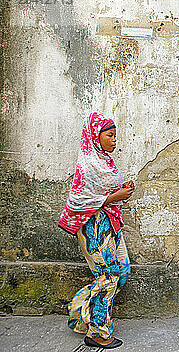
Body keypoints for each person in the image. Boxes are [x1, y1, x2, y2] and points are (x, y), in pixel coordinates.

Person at [58, 112, 133, 349]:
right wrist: (115, 196)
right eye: (109, 135)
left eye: (115, 136)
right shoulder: (88, 164)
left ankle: (79, 312)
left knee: (121, 271)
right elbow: (82, 200)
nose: (114, 140)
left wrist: (122, 190)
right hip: (93, 226)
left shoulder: (105, 162)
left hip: (111, 224)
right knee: (108, 275)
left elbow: (105, 193)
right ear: (95, 136)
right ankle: (98, 332)